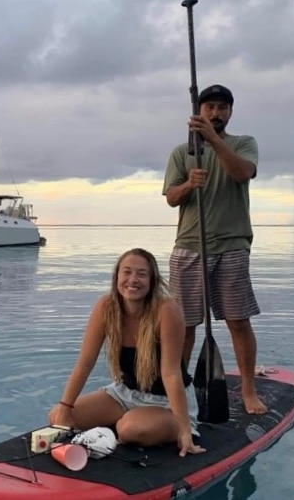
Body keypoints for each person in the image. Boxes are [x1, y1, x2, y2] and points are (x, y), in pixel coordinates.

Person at [162, 84, 267, 414]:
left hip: (232, 245)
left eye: (222, 108)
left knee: (238, 321)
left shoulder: (243, 144)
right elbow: (171, 199)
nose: (216, 113)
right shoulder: (182, 152)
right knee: (184, 326)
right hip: (189, 246)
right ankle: (171, 393)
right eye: (209, 108)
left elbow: (241, 174)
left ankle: (248, 390)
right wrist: (188, 184)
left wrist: (213, 140)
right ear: (198, 111)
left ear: (230, 112)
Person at [48, 249, 205, 457]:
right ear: (117, 277)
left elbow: (171, 374)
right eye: (127, 272)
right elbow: (85, 363)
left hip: (166, 402)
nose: (133, 280)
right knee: (57, 416)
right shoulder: (106, 307)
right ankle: (132, 420)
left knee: (129, 430)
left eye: (142, 274)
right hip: (124, 394)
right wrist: (65, 407)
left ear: (152, 281)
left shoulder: (166, 311)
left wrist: (185, 432)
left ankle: (163, 424)